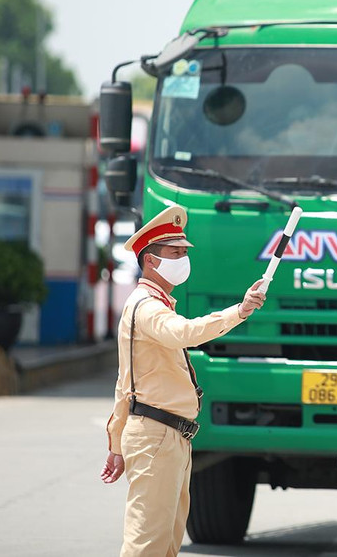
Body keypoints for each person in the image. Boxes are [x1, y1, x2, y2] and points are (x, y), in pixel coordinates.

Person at [99, 205, 266, 556]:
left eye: (184, 252)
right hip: (157, 436)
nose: (183, 259)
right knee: (147, 545)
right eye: (175, 253)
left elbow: (125, 384)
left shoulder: (155, 304)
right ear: (150, 261)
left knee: (166, 545)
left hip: (168, 435)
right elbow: (185, 333)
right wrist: (239, 311)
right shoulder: (147, 307)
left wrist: (116, 443)